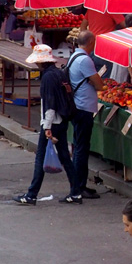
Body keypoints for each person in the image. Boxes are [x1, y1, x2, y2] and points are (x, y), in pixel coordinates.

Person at [14, 44, 80, 205]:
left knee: (41, 158)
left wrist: (47, 127)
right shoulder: (59, 73)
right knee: (64, 156)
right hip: (62, 120)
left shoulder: (48, 78)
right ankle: (76, 192)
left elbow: (49, 105)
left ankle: (31, 194)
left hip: (53, 122)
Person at [68, 30, 104, 199]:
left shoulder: (74, 57)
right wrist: (97, 82)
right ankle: (79, 186)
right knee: (82, 148)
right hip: (83, 108)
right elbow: (99, 84)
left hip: (78, 106)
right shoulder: (85, 60)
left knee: (78, 146)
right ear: (90, 42)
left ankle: (78, 184)